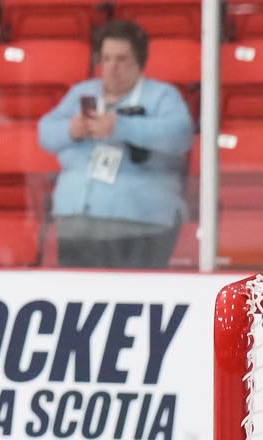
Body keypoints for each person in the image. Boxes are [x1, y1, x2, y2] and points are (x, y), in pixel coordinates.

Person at [38, 19, 195, 270]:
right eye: (107, 58)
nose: (112, 67)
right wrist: (71, 129)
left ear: (139, 61)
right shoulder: (81, 93)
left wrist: (122, 128)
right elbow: (46, 132)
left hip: (138, 221)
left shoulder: (161, 95)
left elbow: (179, 134)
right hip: (76, 220)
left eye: (121, 59)